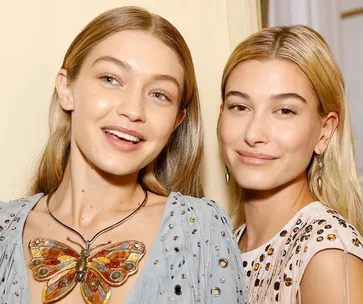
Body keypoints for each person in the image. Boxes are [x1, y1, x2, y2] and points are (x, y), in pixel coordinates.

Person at [0, 6, 245, 304]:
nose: (133, 110)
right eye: (111, 79)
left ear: (176, 121)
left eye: (159, 95)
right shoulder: (5, 229)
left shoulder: (200, 230)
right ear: (67, 88)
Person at [218, 25, 363, 303]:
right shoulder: (225, 245)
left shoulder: (326, 256)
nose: (253, 134)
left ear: (324, 131)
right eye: (239, 106)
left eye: (284, 111)